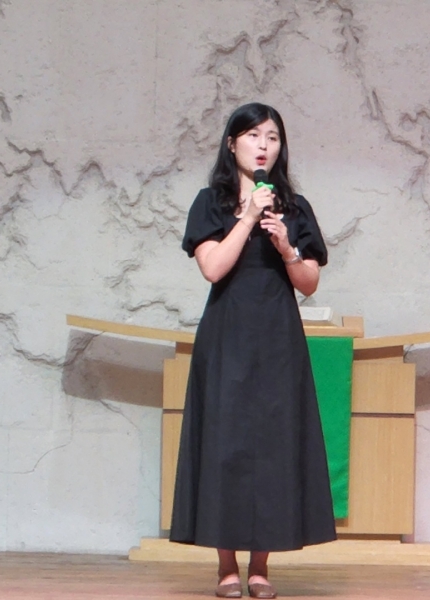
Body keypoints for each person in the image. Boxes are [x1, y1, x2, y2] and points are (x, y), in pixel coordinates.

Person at [169, 102, 337, 599]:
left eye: (273, 137)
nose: (263, 146)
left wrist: (287, 247)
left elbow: (309, 283)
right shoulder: (210, 202)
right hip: (228, 333)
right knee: (226, 444)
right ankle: (226, 566)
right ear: (231, 143)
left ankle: (261, 566)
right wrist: (246, 219)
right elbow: (213, 269)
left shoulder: (295, 206)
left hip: (278, 337)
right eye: (253, 136)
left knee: (273, 444)